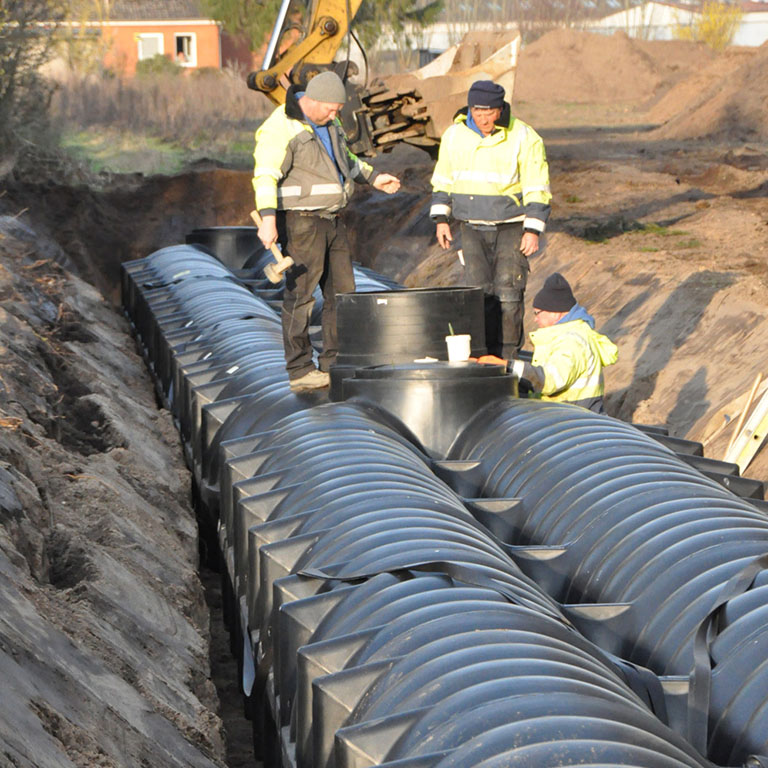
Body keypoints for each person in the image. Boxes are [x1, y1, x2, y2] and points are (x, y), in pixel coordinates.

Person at [253, 71, 401, 390]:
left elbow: (344, 160)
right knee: (301, 296)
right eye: (331, 109)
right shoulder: (280, 128)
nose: (336, 115)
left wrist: (373, 177)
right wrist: (267, 218)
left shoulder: (330, 124)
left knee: (343, 294)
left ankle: (334, 362)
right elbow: (264, 174)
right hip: (301, 221)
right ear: (312, 100)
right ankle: (300, 369)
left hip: (333, 219)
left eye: (338, 110)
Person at [430, 79, 551, 359]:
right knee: (478, 295)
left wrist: (532, 229)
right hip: (471, 227)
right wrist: (441, 219)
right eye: (477, 112)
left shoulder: (524, 137)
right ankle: (481, 356)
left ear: (500, 110)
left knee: (508, 294)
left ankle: (506, 357)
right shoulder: (454, 136)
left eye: (489, 112)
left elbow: (537, 186)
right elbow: (443, 179)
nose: (483, 119)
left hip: (510, 227)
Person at [477, 272, 618, 413]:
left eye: (537, 313)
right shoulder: (571, 335)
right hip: (573, 417)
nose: (535, 319)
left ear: (555, 313)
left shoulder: (571, 342)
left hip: (575, 422)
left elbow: (552, 380)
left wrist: (508, 366)